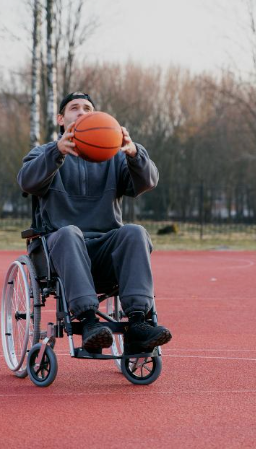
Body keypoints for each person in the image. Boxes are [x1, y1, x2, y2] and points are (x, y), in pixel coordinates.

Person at [17, 92, 172, 355]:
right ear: (61, 119)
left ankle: (137, 324)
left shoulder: (115, 157)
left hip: (103, 250)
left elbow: (148, 182)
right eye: (74, 108)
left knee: (135, 232)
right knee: (70, 232)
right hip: (59, 249)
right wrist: (56, 152)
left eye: (88, 108)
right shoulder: (43, 153)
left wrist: (135, 153)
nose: (81, 112)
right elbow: (27, 182)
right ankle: (89, 322)